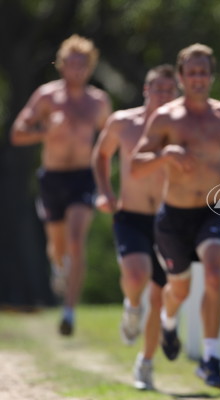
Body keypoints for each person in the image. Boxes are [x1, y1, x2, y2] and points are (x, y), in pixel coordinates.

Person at [130, 43, 220, 390]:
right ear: (180, 78)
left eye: (204, 72)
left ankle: (211, 359)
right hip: (174, 215)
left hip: (214, 206)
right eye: (191, 73)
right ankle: (168, 321)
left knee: (213, 273)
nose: (198, 79)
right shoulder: (166, 118)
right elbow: (136, 165)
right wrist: (166, 153)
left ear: (212, 76)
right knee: (178, 289)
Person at [11, 34, 112, 336]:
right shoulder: (46, 96)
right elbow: (17, 133)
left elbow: (110, 140)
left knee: (78, 239)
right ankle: (58, 265)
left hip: (83, 176)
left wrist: (108, 181)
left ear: (90, 67)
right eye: (71, 63)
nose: (76, 69)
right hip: (52, 177)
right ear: (62, 65)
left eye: (82, 64)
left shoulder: (98, 101)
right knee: (58, 245)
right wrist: (44, 129)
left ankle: (69, 310)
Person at [91, 64, 178, 390]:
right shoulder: (123, 123)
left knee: (159, 297)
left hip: (169, 219)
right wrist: (104, 191)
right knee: (136, 275)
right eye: (158, 89)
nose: (163, 96)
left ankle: (146, 363)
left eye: (170, 91)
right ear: (146, 90)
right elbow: (101, 155)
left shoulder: (182, 127)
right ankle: (131, 307)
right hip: (131, 215)